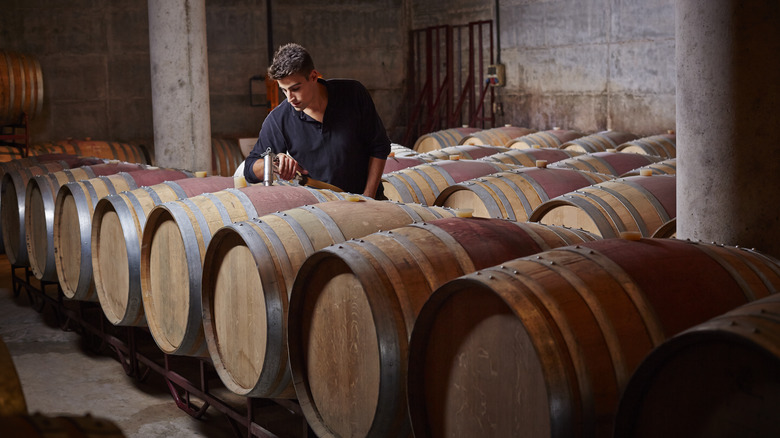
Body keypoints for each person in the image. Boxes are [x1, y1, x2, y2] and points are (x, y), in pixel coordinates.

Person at [244, 43, 390, 198]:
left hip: (370, 203)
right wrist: (274, 163)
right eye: (284, 90)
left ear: (313, 76)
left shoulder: (353, 94)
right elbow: (250, 169)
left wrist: (368, 197)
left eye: (295, 89)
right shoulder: (279, 119)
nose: (289, 98)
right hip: (322, 213)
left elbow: (379, 146)